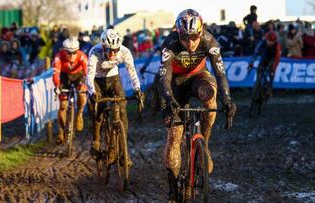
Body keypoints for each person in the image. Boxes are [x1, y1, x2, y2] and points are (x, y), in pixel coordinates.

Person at [160, 9, 236, 202]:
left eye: (194, 37)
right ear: (179, 34)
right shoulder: (170, 44)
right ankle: (173, 192)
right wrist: (168, 100)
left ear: (200, 32)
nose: (191, 42)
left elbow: (220, 73)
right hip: (175, 84)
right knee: (175, 135)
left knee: (210, 97)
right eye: (186, 37)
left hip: (198, 78)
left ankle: (205, 144)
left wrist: (227, 99)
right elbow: (164, 78)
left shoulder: (209, 41)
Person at [86, 29, 144, 164]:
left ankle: (124, 154)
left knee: (122, 109)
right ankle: (96, 139)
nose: (113, 53)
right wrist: (92, 92)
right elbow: (89, 75)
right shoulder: (95, 52)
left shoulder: (125, 52)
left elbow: (132, 71)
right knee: (98, 109)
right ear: (103, 46)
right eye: (109, 50)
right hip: (97, 80)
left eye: (115, 50)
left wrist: (137, 89)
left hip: (113, 78)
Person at [52, 38, 88, 144]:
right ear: (64, 51)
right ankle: (61, 131)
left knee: (82, 93)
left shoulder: (82, 56)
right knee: (63, 104)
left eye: (74, 52)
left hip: (79, 75)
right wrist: (57, 86)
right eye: (69, 53)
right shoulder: (58, 57)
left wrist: (89, 85)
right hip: (64, 76)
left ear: (78, 51)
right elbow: (56, 75)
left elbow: (87, 73)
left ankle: (80, 113)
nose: (72, 55)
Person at [248, 31, 282, 99]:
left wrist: (273, 69)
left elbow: (277, 59)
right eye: (268, 41)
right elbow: (256, 53)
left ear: (274, 41)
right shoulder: (262, 42)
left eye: (271, 41)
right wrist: (251, 62)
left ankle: (269, 90)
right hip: (264, 58)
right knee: (259, 71)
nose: (269, 43)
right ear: (266, 39)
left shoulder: (277, 46)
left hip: (273, 59)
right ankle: (258, 86)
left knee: (271, 73)